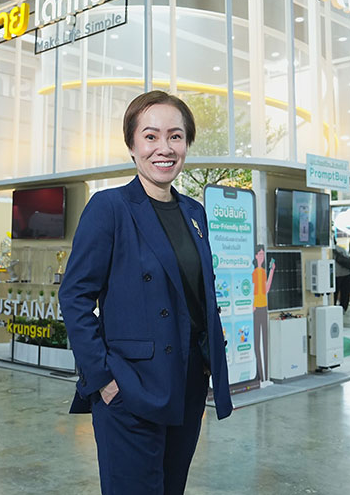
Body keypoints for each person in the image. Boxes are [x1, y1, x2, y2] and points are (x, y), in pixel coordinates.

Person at [59, 91, 232, 495]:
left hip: (186, 385)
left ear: (186, 144)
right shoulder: (110, 208)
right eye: (151, 136)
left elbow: (199, 295)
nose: (164, 148)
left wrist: (209, 362)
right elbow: (75, 296)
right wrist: (104, 379)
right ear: (132, 145)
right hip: (130, 387)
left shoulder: (194, 213)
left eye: (175, 136)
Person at [252, 244, 274, 383]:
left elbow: (266, 289)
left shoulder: (263, 272)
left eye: (263, 254)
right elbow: (253, 290)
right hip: (256, 309)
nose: (261, 256)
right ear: (255, 256)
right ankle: (260, 376)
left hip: (264, 308)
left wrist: (272, 271)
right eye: (260, 254)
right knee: (257, 343)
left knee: (265, 342)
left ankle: (266, 377)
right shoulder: (254, 273)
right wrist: (252, 305)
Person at [332, 240, 350, 311]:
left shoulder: (328, 250)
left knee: (334, 292)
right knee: (345, 292)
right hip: (346, 273)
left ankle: (333, 306)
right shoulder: (341, 249)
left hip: (335, 274)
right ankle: (344, 308)